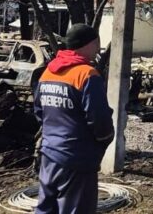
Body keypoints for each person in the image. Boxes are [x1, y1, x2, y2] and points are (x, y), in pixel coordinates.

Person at [34, 24, 114, 214]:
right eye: (96, 43)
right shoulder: (86, 75)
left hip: (49, 154)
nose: (97, 48)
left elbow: (39, 112)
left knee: (46, 208)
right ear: (88, 44)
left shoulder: (48, 72)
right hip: (77, 158)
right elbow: (100, 120)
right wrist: (104, 141)